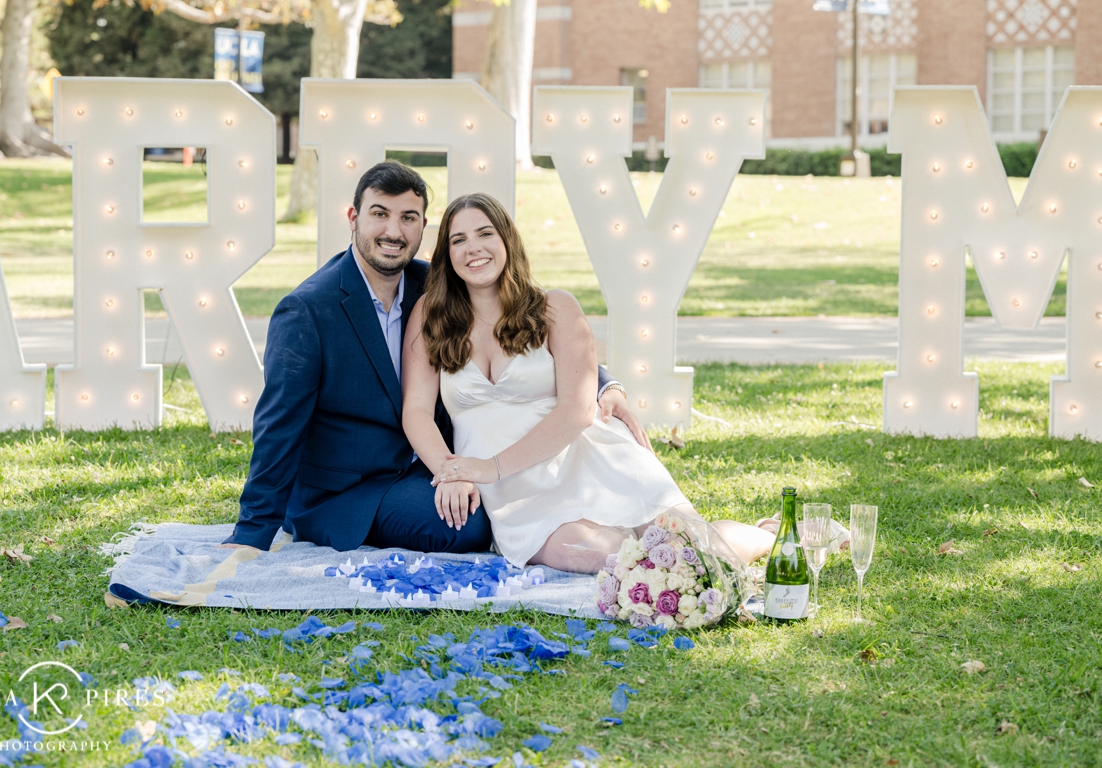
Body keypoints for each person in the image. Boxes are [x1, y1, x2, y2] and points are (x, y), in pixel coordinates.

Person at [223, 162, 647, 554]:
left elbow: (534, 323)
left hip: (424, 467)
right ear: (354, 219)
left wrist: (605, 383)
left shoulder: (435, 285)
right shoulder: (307, 310)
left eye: (408, 217)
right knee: (467, 524)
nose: (394, 230)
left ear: (423, 226)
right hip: (350, 489)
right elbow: (278, 425)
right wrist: (253, 531)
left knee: (482, 510)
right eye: (379, 214)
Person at [401, 192, 779, 573]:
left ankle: (772, 535)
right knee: (603, 557)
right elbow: (416, 411)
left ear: (507, 240)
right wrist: (451, 472)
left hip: (586, 459)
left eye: (485, 233)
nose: (473, 248)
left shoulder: (555, 308)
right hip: (516, 494)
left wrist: (490, 468)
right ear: (446, 254)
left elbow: (577, 411)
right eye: (458, 239)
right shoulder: (429, 316)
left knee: (692, 550)